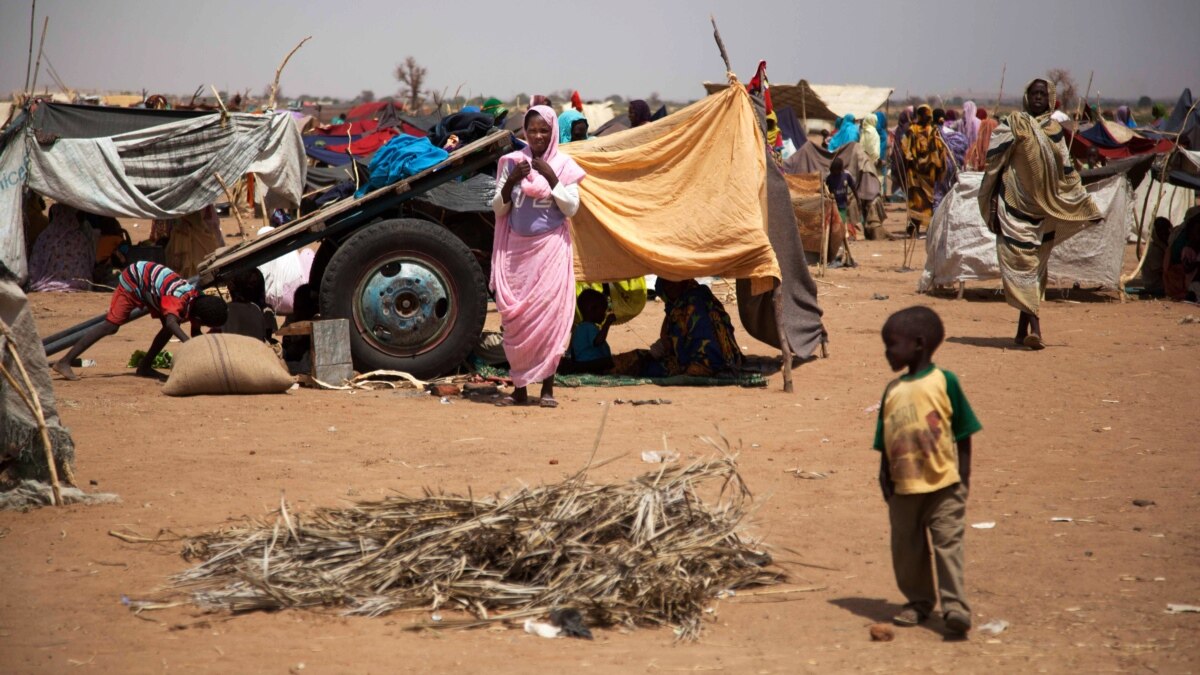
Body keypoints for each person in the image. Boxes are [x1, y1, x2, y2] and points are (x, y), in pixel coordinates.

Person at [873, 306, 981, 637]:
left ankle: (955, 608)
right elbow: (885, 438)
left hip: (944, 484)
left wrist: (962, 478)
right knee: (907, 548)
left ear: (918, 344)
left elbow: (963, 433)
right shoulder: (893, 390)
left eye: (892, 344)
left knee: (948, 544)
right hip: (903, 488)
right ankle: (918, 602)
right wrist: (884, 476)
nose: (887, 352)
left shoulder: (944, 382)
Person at [979, 79, 1101, 350]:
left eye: (1042, 94)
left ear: (1050, 99)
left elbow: (1066, 172)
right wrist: (990, 208)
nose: (1037, 98)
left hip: (1044, 211)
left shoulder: (1056, 131)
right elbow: (994, 167)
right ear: (1026, 97)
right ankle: (1036, 329)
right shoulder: (1013, 125)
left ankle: (1022, 332)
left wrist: (1085, 205)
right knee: (1022, 266)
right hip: (1013, 210)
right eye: (1033, 93)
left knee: (1035, 270)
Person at [490, 106, 586, 408]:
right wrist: (510, 182)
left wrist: (551, 179)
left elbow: (571, 209)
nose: (538, 135)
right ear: (525, 132)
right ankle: (519, 389)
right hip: (516, 254)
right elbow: (498, 208)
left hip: (551, 251)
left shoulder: (565, 166)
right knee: (515, 320)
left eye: (544, 130)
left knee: (550, 319)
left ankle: (547, 389)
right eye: (532, 130)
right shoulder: (512, 163)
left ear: (553, 131)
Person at [52, 261, 228, 380]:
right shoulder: (178, 299)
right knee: (111, 325)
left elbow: (196, 331)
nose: (201, 326)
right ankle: (64, 362)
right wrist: (188, 344)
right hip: (134, 279)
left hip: (151, 285)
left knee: (167, 332)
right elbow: (171, 323)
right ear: (198, 317)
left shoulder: (198, 302)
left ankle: (144, 367)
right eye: (205, 324)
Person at [633, 278, 742, 378]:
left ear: (683, 281)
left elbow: (677, 339)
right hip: (715, 357)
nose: (671, 288)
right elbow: (668, 338)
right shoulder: (675, 307)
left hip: (706, 361)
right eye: (666, 285)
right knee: (634, 361)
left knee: (648, 368)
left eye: (673, 283)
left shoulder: (693, 301)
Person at [900, 105, 948, 235]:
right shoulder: (933, 131)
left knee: (917, 200)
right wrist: (941, 168)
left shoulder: (913, 130)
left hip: (915, 173)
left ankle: (914, 226)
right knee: (926, 200)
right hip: (928, 173)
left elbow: (904, 148)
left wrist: (910, 160)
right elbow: (941, 150)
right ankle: (926, 227)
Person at [27, 203, 96, 292]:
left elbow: (34, 264)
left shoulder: (45, 236)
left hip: (47, 287)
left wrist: (31, 282)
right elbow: (91, 262)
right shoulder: (80, 237)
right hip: (78, 287)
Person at [561, 289, 615, 375]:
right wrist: (607, 324)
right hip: (589, 363)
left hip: (582, 362)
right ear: (592, 310)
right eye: (603, 311)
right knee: (611, 362)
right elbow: (598, 341)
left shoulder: (580, 327)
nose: (604, 315)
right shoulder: (588, 327)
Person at [825, 157, 858, 228]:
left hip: (842, 204)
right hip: (832, 204)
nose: (835, 172)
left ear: (840, 169)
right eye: (833, 170)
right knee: (833, 224)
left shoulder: (846, 175)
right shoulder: (829, 177)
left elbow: (853, 187)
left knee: (841, 223)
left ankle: (842, 236)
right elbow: (824, 188)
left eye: (837, 170)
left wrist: (858, 199)